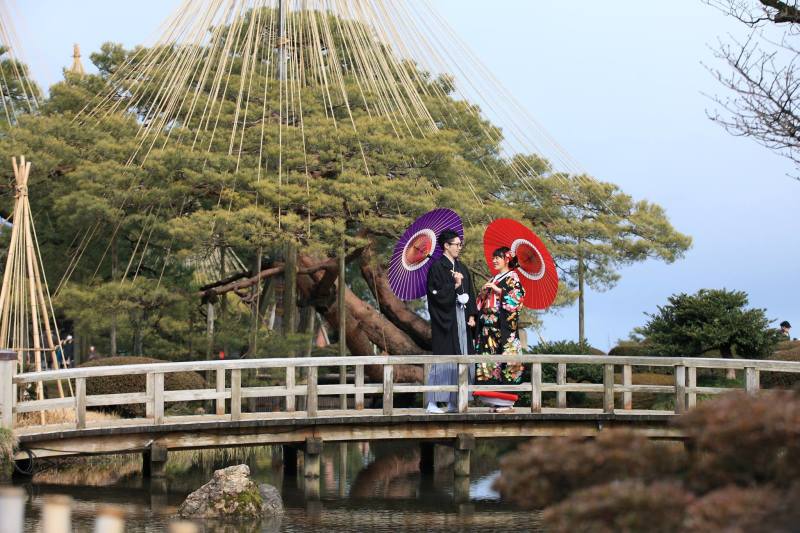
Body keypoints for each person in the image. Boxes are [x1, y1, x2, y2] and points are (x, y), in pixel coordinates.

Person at [425, 229, 478, 414]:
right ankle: (433, 402)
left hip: (462, 319)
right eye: (456, 244)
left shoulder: (461, 267)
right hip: (446, 320)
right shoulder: (437, 267)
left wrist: (472, 315)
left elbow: (471, 292)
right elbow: (434, 295)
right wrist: (453, 286)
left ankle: (455, 401)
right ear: (446, 245)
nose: (459, 247)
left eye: (460, 244)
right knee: (444, 359)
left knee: (463, 355)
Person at [475, 247, 526, 413]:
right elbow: (482, 302)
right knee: (490, 363)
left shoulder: (513, 277)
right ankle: (496, 401)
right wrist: (483, 294)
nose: (495, 260)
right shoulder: (494, 277)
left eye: (498, 258)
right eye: (494, 257)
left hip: (503, 328)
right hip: (488, 329)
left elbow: (517, 299)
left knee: (505, 363)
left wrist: (500, 291)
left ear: (507, 259)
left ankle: (507, 402)